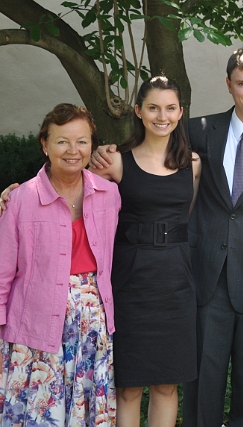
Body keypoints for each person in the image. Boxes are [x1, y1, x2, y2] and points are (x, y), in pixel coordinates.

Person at [90, 47, 243, 426]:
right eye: (242, 83)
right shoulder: (198, 132)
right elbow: (150, 158)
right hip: (203, 277)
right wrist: (101, 153)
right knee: (201, 388)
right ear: (228, 85)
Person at [0, 104, 120, 426]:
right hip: (32, 336)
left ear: (92, 146)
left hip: (92, 335)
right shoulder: (20, 200)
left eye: (82, 141)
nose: (73, 151)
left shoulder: (110, 194)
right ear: (45, 145)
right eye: (62, 141)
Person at [89, 76, 201, 427]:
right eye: (153, 108)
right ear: (138, 111)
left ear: (180, 112)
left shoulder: (193, 164)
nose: (161, 116)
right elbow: (76, 200)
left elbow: (189, 217)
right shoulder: (114, 161)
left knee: (167, 385)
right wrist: (18, 196)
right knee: (129, 387)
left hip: (175, 282)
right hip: (130, 282)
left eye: (170, 108)